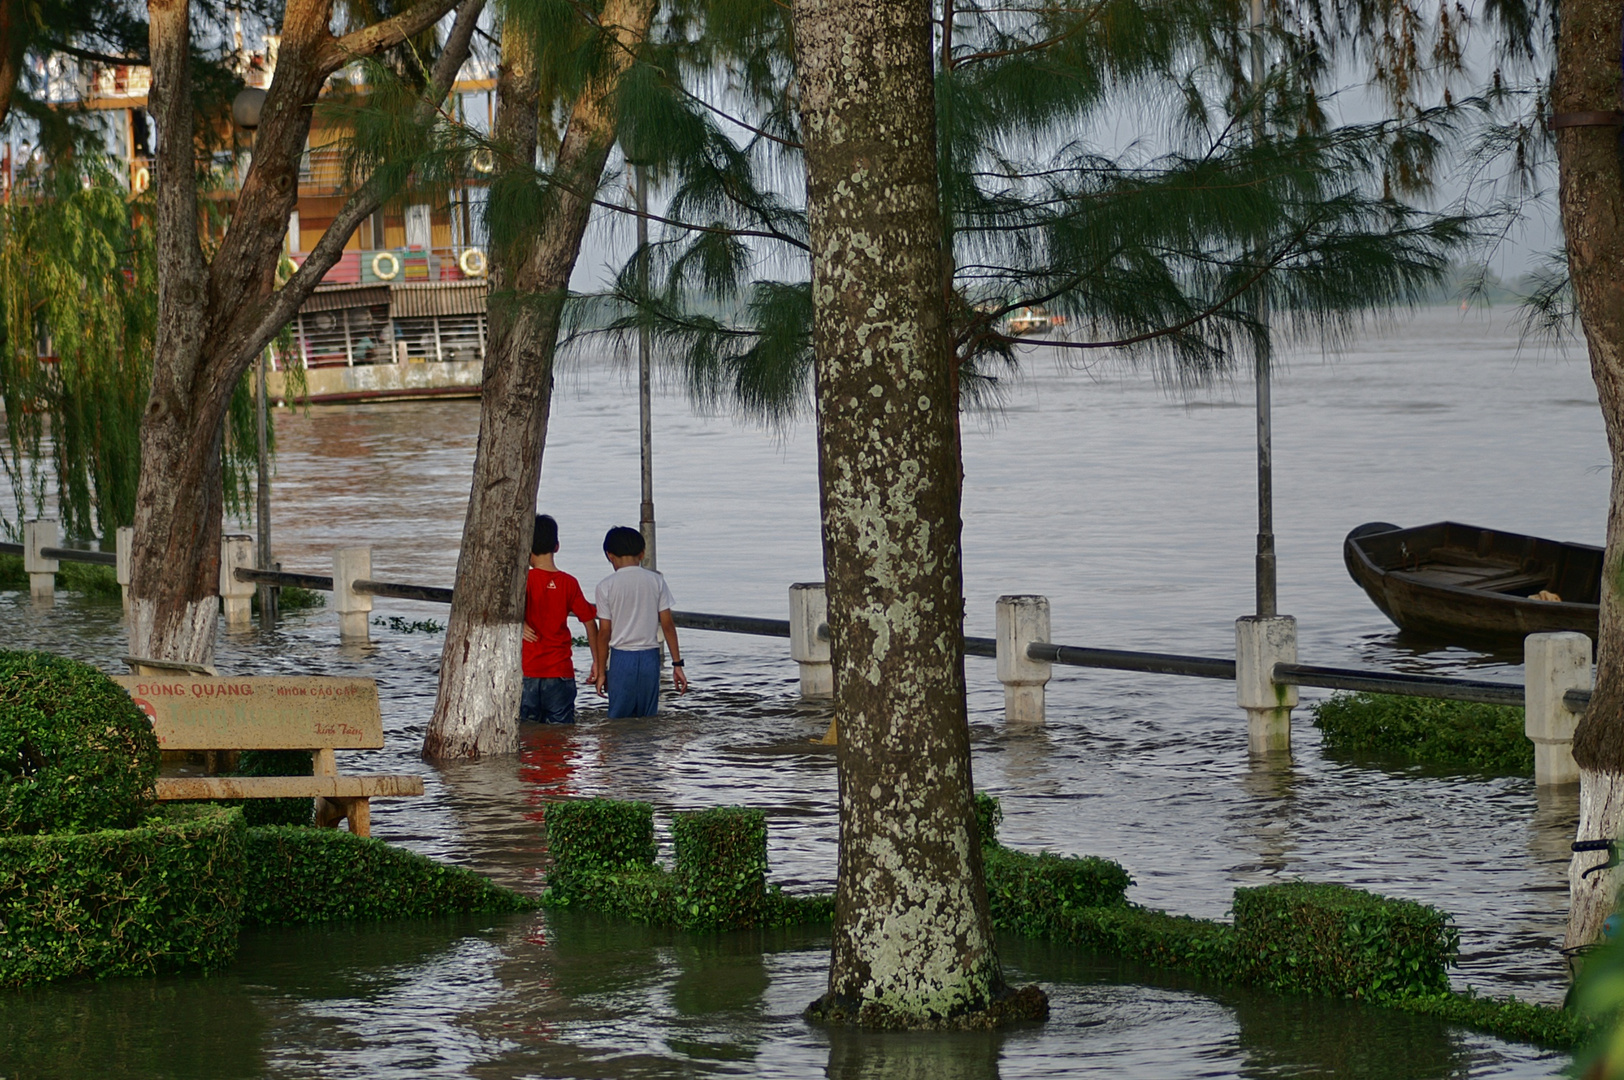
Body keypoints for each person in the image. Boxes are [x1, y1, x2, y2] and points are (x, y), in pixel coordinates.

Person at [592, 526, 688, 718]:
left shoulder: (605, 586)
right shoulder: (656, 581)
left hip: (621, 658)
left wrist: (601, 671)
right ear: (642, 553)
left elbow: (604, 633)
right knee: (647, 716)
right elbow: (668, 625)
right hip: (649, 658)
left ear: (609, 555)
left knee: (619, 718)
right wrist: (677, 664)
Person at [520, 515, 600, 725]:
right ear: (557, 546)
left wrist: (519, 624)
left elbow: (500, 611)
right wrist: (598, 662)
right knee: (561, 736)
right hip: (559, 671)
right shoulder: (569, 583)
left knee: (526, 735)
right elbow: (590, 621)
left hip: (526, 670)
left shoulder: (523, 581)